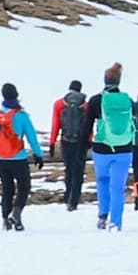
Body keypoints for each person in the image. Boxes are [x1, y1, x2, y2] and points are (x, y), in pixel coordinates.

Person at [0, 83, 42, 230]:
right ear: (16, 95)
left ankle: (6, 220)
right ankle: (16, 213)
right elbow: (32, 137)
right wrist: (38, 155)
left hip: (0, 159)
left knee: (7, 189)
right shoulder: (21, 115)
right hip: (18, 158)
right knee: (24, 187)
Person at [89, 62, 138, 230]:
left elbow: (86, 126)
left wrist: (83, 146)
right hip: (125, 149)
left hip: (101, 149)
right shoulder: (128, 101)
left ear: (104, 80)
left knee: (102, 181)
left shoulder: (96, 100)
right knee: (118, 187)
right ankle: (116, 222)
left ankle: (103, 215)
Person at [51, 79, 92, 211]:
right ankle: (74, 200)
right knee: (78, 171)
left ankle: (68, 195)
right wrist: (89, 139)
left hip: (66, 140)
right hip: (81, 142)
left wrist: (52, 142)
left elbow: (56, 124)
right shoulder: (86, 105)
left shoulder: (59, 104)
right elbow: (89, 125)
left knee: (68, 169)